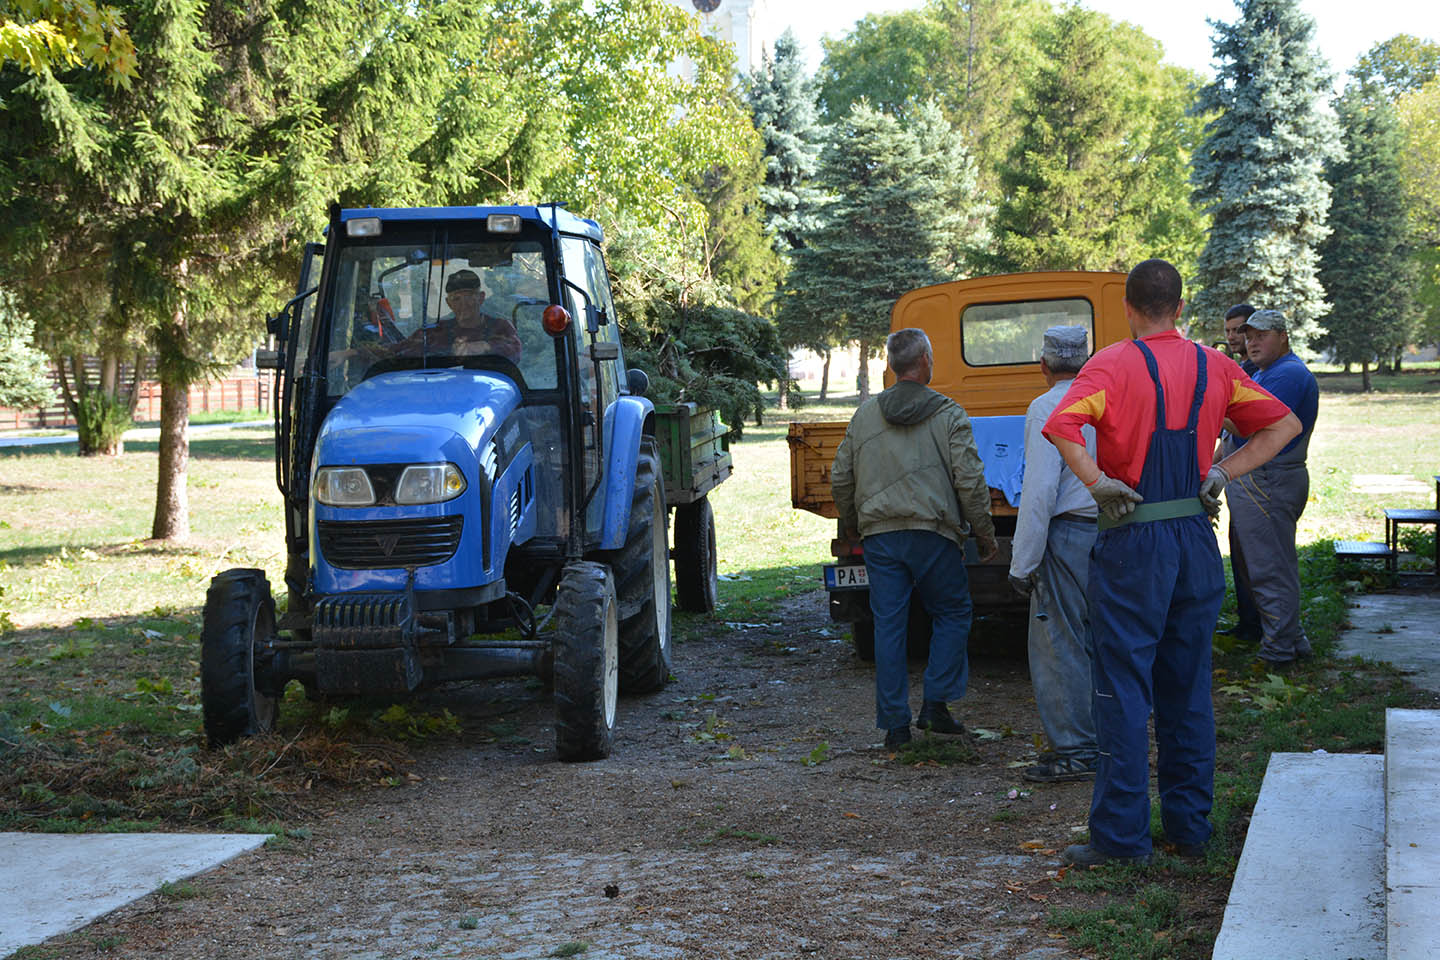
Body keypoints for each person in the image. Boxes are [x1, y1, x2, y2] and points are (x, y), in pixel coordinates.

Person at [1042, 260, 1300, 868]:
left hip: (1134, 543)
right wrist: (1220, 471)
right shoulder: (1219, 366)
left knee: (1123, 691)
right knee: (1187, 691)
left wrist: (1099, 481)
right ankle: (1190, 828)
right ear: (1180, 308)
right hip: (1194, 540)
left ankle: (1121, 842)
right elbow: (1282, 425)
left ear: (1128, 309)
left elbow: (1062, 425)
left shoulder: (1109, 364)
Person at [831, 328, 999, 749]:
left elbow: (840, 476)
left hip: (882, 538)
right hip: (934, 534)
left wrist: (853, 522)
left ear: (891, 365)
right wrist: (983, 531)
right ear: (924, 359)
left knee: (889, 625)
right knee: (954, 611)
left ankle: (895, 728)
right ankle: (936, 705)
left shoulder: (865, 415)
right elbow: (970, 480)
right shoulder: (948, 413)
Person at [1007, 325, 1100, 783]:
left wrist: (1022, 563)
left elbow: (1040, 492)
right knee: (1103, 643)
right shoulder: (1106, 398)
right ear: (1087, 361)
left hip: (1067, 536)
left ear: (1042, 366)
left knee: (1057, 645)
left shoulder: (1046, 405)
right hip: (1114, 532)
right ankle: (1104, 742)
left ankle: (1076, 750)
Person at [1228, 308, 1319, 670]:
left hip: (1271, 478)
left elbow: (1246, 426)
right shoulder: (1266, 372)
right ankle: (1293, 641)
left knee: (1270, 568)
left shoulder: (1288, 374)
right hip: (1261, 478)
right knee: (1269, 564)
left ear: (1283, 336)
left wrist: (1206, 407)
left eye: (1260, 335)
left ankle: (1278, 653)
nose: (1251, 342)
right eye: (1248, 336)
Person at [1215, 303, 1261, 643]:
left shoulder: (1259, 371)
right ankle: (1249, 622)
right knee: (1240, 549)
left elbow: (1249, 428)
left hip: (1257, 477)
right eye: (1229, 330)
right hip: (1236, 476)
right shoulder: (1241, 367)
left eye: (1239, 330)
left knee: (1254, 554)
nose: (1233, 337)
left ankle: (1261, 627)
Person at [394, 269, 522, 364]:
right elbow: (400, 351)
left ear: (481, 298)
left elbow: (515, 352)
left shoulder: (500, 327)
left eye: (469, 296)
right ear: (448, 303)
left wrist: (484, 346)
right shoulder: (435, 332)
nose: (463, 304)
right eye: (456, 299)